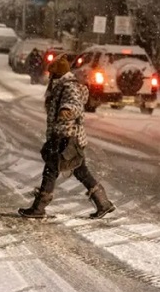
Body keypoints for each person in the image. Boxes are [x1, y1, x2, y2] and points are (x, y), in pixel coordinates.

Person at [19, 55, 115, 219]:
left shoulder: (68, 87)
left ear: (58, 74)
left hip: (66, 136)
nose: (50, 76)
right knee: (79, 170)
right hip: (65, 135)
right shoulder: (62, 86)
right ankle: (103, 203)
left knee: (51, 169)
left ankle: (39, 208)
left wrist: (67, 110)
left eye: (52, 73)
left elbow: (74, 103)